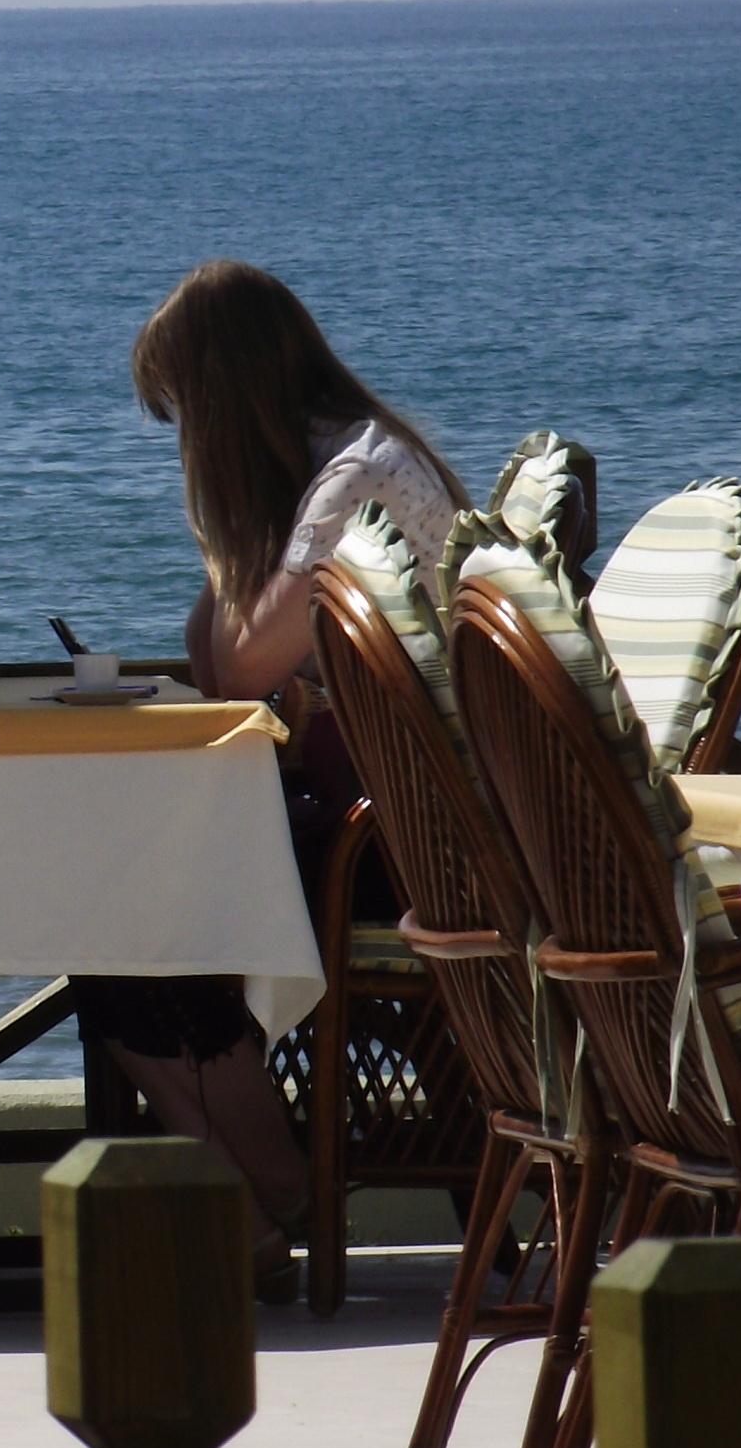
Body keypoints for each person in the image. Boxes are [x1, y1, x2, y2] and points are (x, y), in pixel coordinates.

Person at [89, 260, 468, 1297]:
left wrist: (221, 526)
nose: (181, 445)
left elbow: (237, 665)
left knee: (118, 910)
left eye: (184, 419)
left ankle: (267, 1191)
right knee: (116, 902)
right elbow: (233, 663)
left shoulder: (351, 482)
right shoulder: (336, 462)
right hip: (404, 818)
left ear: (222, 405)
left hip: (422, 846)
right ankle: (253, 1197)